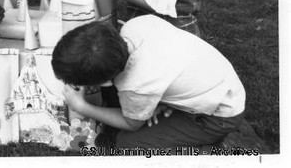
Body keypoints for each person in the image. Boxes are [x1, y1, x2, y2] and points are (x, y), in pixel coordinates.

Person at [51, 16, 246, 149]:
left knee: (127, 145)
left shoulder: (136, 85)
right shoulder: (135, 25)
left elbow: (131, 124)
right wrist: (157, 100)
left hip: (219, 113)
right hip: (213, 80)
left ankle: (210, 151)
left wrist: (81, 106)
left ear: (105, 83)